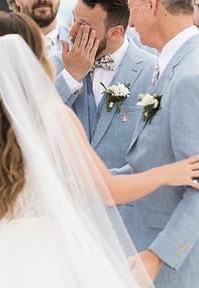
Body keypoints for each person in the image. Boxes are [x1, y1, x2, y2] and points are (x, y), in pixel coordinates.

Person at [0, 12, 199, 288]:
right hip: (39, 259)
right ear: (34, 57)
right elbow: (108, 189)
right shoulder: (53, 116)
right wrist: (167, 173)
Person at [126, 0, 199, 286]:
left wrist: (157, 256)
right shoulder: (179, 59)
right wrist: (91, 180)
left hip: (171, 268)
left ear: (151, 4)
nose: (130, 21)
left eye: (131, 6)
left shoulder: (193, 75)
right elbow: (154, 160)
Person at [53, 0, 155, 170]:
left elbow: (152, 152)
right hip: (64, 193)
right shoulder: (55, 65)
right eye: (74, 20)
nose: (71, 32)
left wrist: (108, 184)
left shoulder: (152, 71)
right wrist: (70, 77)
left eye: (83, 25)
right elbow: (34, 123)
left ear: (115, 32)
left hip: (124, 194)